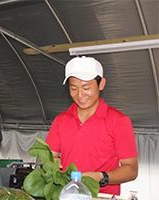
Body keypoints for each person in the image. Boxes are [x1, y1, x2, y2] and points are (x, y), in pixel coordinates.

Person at [45, 56, 138, 195]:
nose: (80, 95)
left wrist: (102, 177)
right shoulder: (61, 119)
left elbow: (131, 169)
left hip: (102, 196)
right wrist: (53, 162)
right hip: (68, 195)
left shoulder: (118, 121)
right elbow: (47, 157)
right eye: (73, 88)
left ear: (101, 84)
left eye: (86, 88)